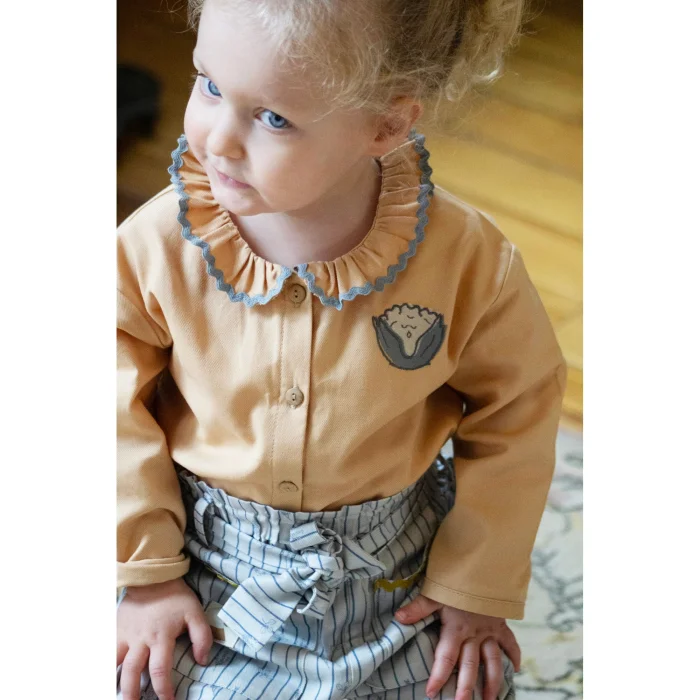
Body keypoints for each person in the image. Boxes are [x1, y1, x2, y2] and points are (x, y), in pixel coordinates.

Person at [117, 1, 566, 698]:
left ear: (385, 125)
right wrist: (148, 574)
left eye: (273, 118)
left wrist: (475, 582)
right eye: (209, 85)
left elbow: (518, 411)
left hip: (397, 573)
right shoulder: (158, 244)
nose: (219, 140)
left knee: (468, 681)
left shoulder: (468, 260)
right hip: (199, 560)